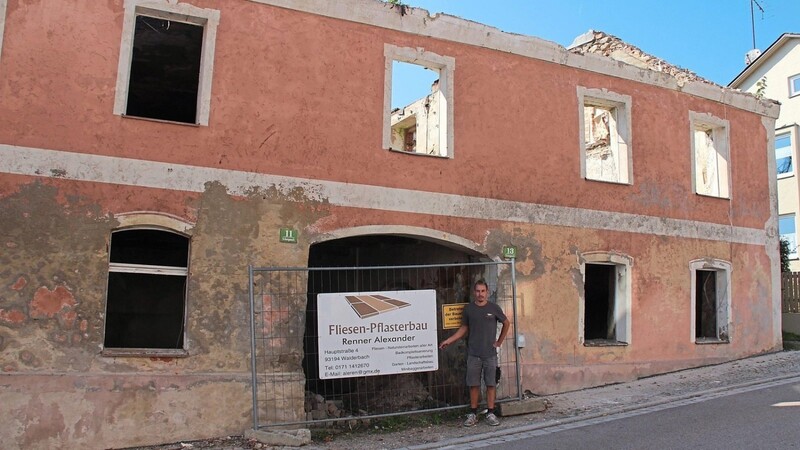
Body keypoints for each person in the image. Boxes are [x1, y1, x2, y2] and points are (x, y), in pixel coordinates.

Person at [439, 279, 510, 427]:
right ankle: (473, 413)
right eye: (477, 291)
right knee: (474, 384)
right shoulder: (469, 309)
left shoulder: (494, 308)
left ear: (487, 292)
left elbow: (506, 323)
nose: (480, 294)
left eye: (483, 291)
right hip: (473, 354)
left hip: (490, 354)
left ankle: (491, 413)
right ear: (474, 292)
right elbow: (463, 328)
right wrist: (449, 340)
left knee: (491, 383)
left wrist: (499, 342)